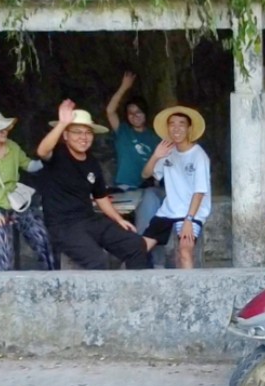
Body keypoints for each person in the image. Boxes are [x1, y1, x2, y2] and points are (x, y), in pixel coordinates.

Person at [36, 99, 149, 270]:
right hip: (63, 225)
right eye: (77, 132)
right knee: (97, 260)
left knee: (136, 244)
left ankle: (137, 292)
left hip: (89, 219)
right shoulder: (58, 154)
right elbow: (42, 151)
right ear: (65, 135)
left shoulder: (92, 162)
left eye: (88, 133)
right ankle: (102, 297)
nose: (83, 137)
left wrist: (119, 219)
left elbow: (100, 196)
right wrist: (62, 124)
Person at [0, 107, 55, 271]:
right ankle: (3, 284)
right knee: (2, 241)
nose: (3, 131)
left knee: (40, 233)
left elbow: (29, 165)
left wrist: (47, 159)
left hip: (14, 202)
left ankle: (52, 276)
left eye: (3, 127)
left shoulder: (12, 147)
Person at [140, 106, 211, 269]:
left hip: (191, 212)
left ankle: (189, 292)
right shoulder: (168, 151)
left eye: (181, 124)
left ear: (189, 128)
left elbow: (199, 191)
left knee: (185, 251)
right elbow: (145, 174)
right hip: (168, 210)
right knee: (138, 249)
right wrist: (156, 156)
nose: (176, 128)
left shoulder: (199, 155)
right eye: (172, 124)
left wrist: (189, 219)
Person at [105, 71, 164, 251]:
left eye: (139, 112)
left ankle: (143, 251)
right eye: (130, 113)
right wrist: (124, 87)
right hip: (123, 187)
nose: (134, 116)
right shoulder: (123, 132)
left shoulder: (155, 138)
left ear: (146, 113)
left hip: (145, 189)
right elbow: (110, 111)